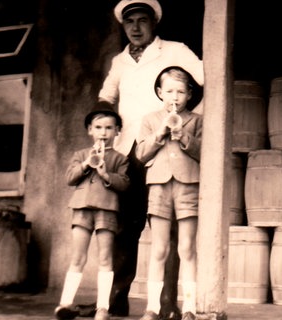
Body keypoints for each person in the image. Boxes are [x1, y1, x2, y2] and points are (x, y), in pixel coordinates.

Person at [92, 0, 204, 318]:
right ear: (123, 26)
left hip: (168, 153)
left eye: (143, 20)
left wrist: (188, 122)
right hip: (131, 149)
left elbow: (208, 80)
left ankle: (168, 303)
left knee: (166, 230)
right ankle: (116, 298)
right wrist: (103, 127)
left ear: (154, 23)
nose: (136, 27)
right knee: (125, 226)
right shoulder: (120, 61)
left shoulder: (175, 51)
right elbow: (107, 94)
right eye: (130, 22)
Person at [135, 66, 202, 320]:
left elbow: (204, 153)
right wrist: (160, 133)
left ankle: (190, 308)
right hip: (159, 187)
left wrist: (184, 136)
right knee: (159, 249)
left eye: (181, 92)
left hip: (188, 186)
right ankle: (152, 307)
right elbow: (141, 155)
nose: (175, 97)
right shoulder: (150, 119)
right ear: (160, 92)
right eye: (170, 91)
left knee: (187, 249)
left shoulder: (197, 121)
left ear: (189, 95)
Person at [55, 102, 130, 320]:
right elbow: (70, 178)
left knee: (106, 257)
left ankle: (103, 307)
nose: (103, 133)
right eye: (98, 127)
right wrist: (87, 163)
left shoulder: (120, 158)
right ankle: (65, 304)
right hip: (82, 209)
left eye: (109, 128)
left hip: (107, 210)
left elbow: (124, 184)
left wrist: (106, 175)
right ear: (90, 130)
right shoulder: (80, 154)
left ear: (117, 131)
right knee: (77, 256)